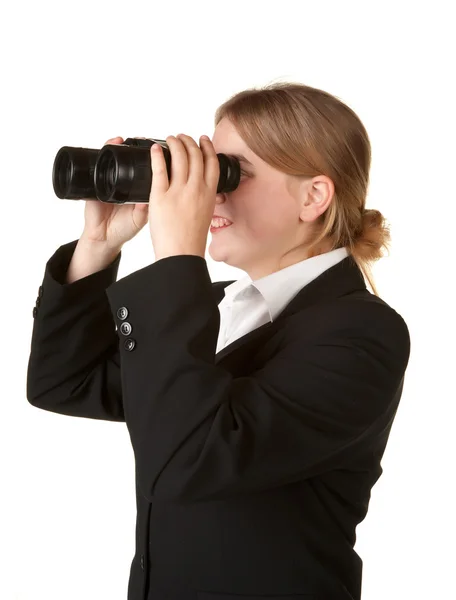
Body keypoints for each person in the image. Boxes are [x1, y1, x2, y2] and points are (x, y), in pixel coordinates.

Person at [27, 81, 411, 600]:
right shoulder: (213, 307)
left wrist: (178, 257)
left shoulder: (362, 332)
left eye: (232, 173)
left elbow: (191, 457)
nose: (211, 192)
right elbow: (63, 382)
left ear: (313, 196)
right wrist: (98, 246)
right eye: (209, 170)